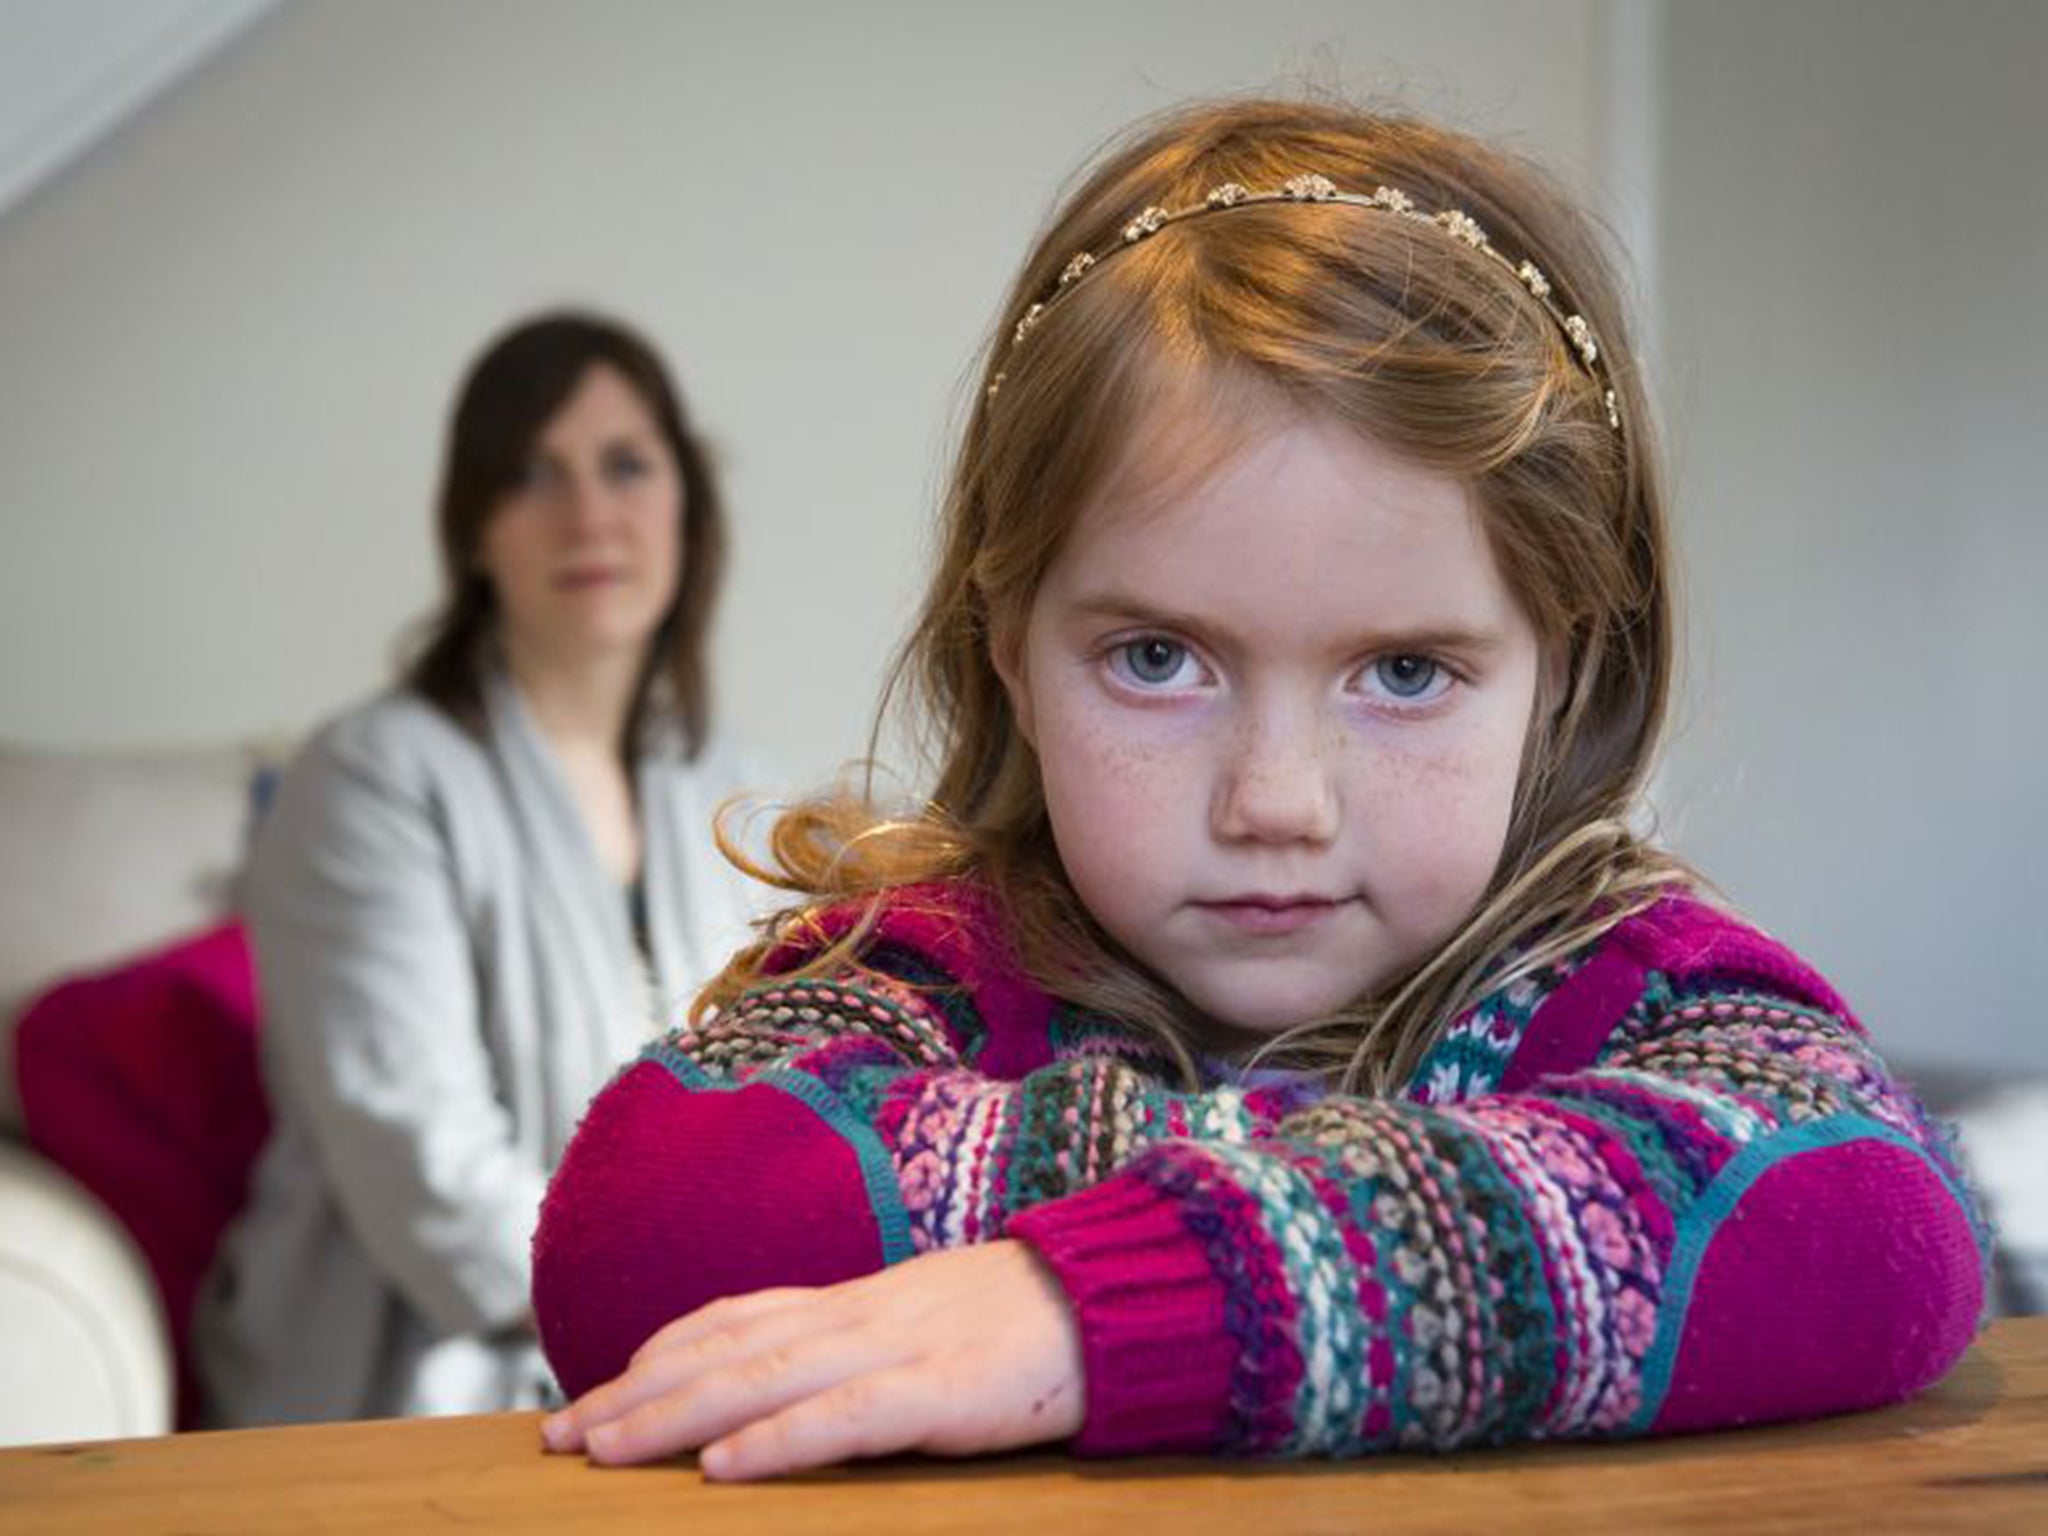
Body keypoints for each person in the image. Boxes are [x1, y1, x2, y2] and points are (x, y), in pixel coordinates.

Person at [528, 102, 1988, 1480]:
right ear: (1011, 653)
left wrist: (1111, 1297)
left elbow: (1871, 1216)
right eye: (1159, 658)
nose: (1276, 802)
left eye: (1406, 673)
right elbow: (641, 1240)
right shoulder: (927, 968)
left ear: (1567, 675)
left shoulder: (1622, 979)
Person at [194, 312, 767, 1425]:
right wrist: (690, 1322)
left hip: (687, 1343)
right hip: (415, 1374)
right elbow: (421, 1162)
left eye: (625, 466)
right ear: (472, 528)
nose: (588, 514)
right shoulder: (367, 777)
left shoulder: (740, 796)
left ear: (687, 509)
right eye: (530, 475)